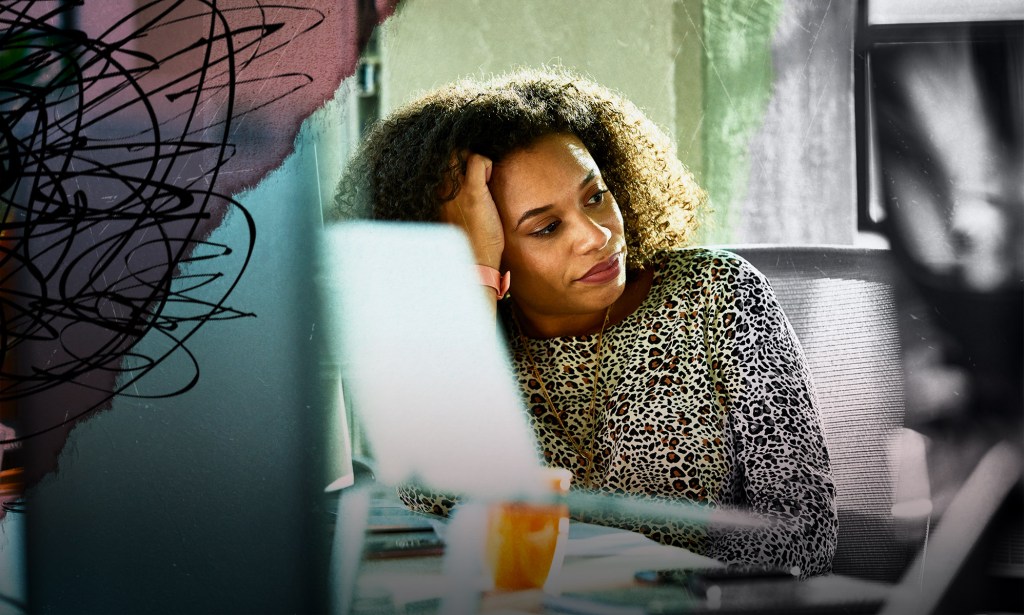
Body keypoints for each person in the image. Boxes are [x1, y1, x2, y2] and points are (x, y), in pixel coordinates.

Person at [332, 68, 838, 577]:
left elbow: (804, 532)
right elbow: (433, 498)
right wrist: (475, 279)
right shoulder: (471, 346)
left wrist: (651, 589)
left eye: (595, 196)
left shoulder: (716, 293)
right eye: (546, 227)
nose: (596, 236)